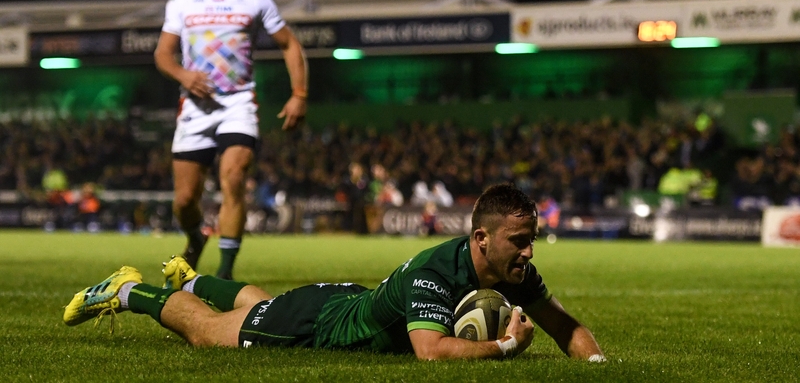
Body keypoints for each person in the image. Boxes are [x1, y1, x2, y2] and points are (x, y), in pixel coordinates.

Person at [63, 183, 605, 361]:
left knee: (258, 307)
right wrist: (506, 348)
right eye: (520, 242)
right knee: (207, 334)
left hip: (348, 299)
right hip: (319, 325)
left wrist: (598, 361)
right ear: (481, 238)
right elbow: (432, 351)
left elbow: (567, 326)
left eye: (531, 241)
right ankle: (130, 289)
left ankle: (194, 278)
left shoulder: (514, 272)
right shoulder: (435, 271)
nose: (529, 254)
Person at [153, 0, 308, 279]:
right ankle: (196, 237)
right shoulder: (183, 0)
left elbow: (290, 44)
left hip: (238, 103)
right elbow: (163, 54)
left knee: (234, 177)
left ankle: (224, 274)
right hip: (194, 107)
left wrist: (299, 93)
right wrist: (184, 75)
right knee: (184, 200)